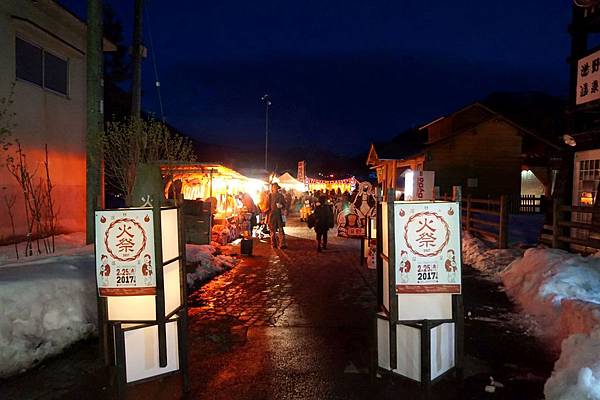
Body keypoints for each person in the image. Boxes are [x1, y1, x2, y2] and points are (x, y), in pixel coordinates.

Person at [265, 183, 287, 249]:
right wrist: (267, 211)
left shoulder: (281, 196)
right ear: (272, 188)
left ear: (278, 188)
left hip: (279, 215)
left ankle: (282, 244)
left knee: (281, 229)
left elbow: (285, 205)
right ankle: (273, 243)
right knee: (272, 230)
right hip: (272, 215)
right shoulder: (270, 196)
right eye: (274, 187)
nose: (275, 188)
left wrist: (282, 206)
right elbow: (267, 206)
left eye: (276, 187)